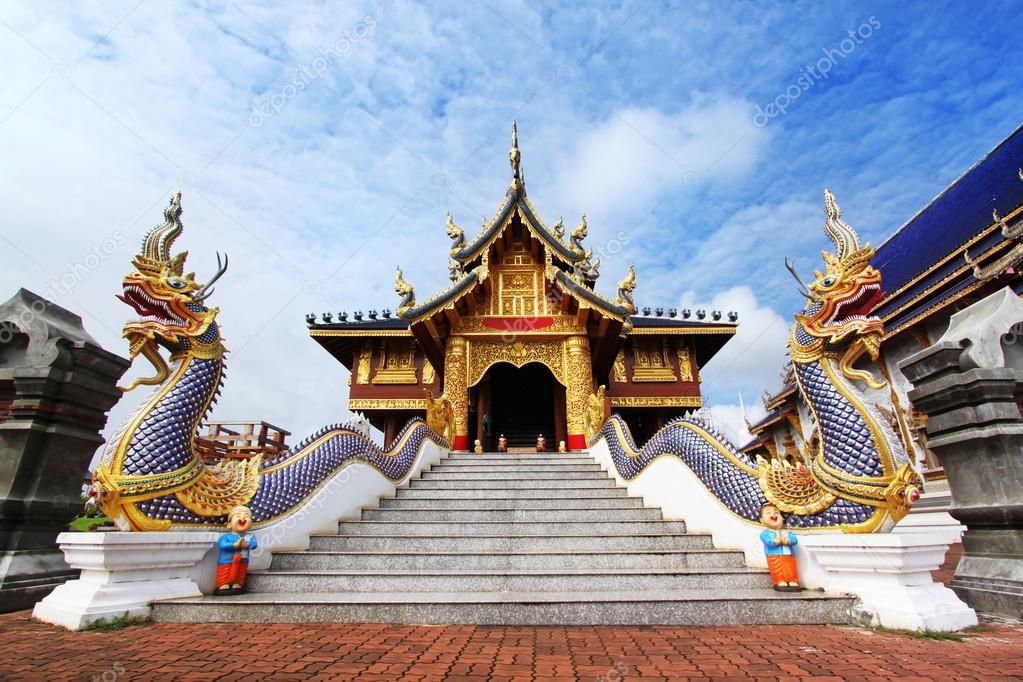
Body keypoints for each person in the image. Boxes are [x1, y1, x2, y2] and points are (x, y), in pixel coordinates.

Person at [214, 505, 258, 596]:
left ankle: (237, 583)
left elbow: (254, 544)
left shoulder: (249, 537)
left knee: (240, 573)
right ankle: (223, 583)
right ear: (229, 524)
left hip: (243, 560)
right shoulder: (227, 537)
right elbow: (223, 545)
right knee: (225, 572)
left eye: (246, 516)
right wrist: (233, 545)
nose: (243, 518)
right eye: (238, 515)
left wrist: (247, 545)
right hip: (226, 561)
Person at [759, 502, 801, 592]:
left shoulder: (787, 532)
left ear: (782, 518)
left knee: (790, 568)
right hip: (774, 555)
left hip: (789, 555)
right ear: (762, 520)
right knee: (777, 568)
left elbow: (794, 540)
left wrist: (788, 540)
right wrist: (775, 541)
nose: (773, 514)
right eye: (768, 513)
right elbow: (768, 541)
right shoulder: (765, 533)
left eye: (776, 512)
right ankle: (780, 580)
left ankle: (793, 580)